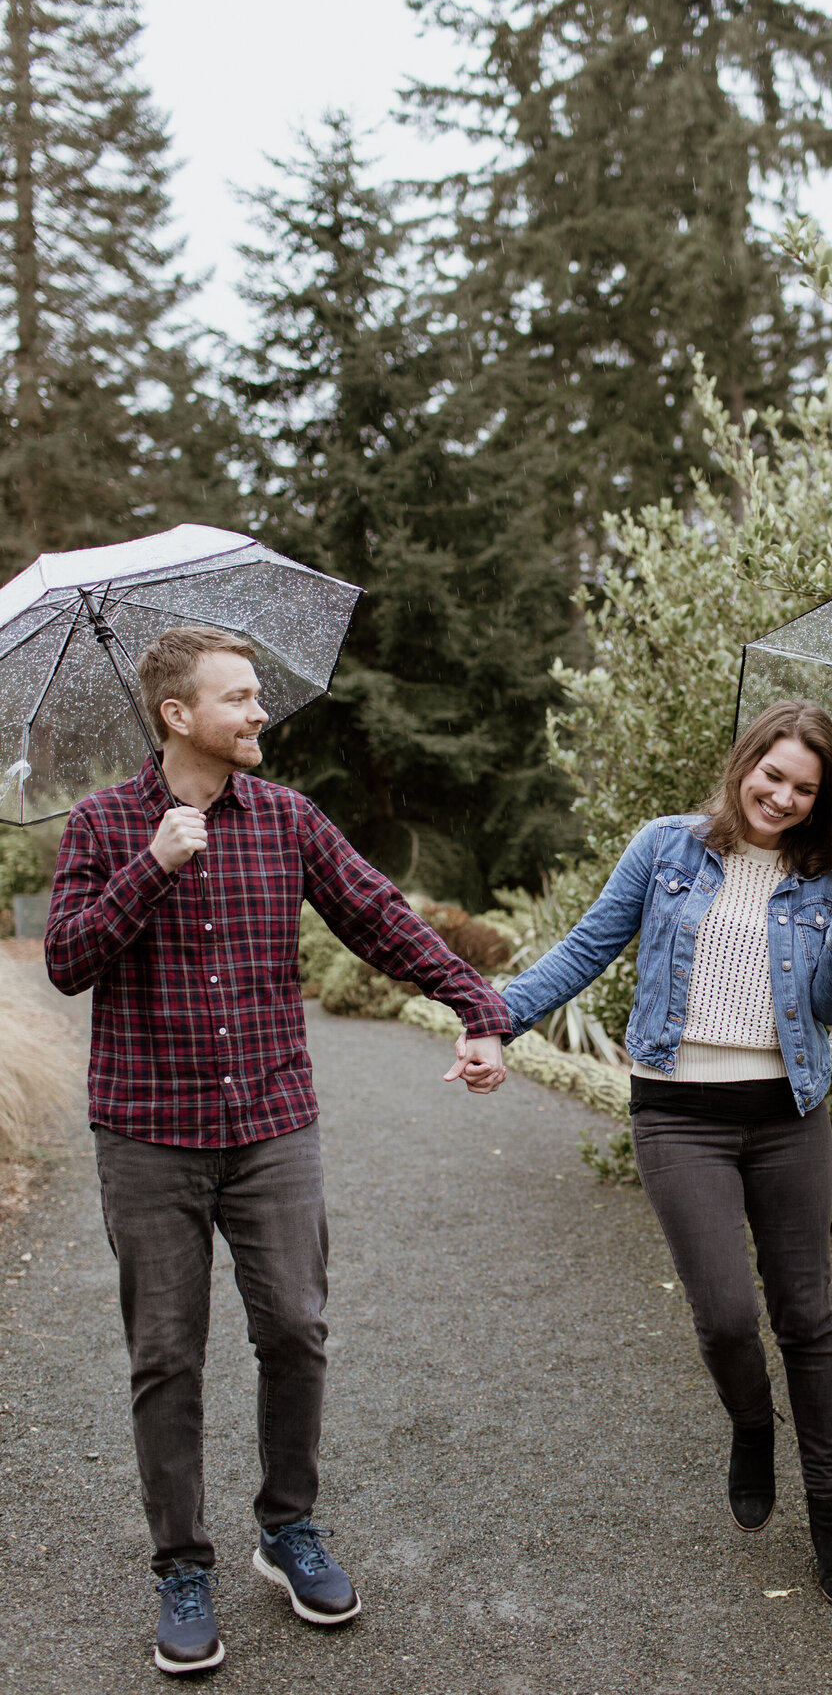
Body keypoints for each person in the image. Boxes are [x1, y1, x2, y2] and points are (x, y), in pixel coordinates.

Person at [45, 625, 509, 1677]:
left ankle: (286, 1528)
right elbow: (68, 961)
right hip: (147, 1132)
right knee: (165, 1356)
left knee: (296, 1329)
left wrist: (476, 1005)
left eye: (257, 697)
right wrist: (153, 868)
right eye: (241, 698)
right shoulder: (103, 823)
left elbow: (380, 916)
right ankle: (180, 1565)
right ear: (178, 715)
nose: (261, 713)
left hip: (271, 1127)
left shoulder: (289, 819)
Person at [490, 699, 832, 1606]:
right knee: (726, 1317)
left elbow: (829, 1008)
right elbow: (588, 946)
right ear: (746, 761)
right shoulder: (666, 847)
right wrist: (495, 1018)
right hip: (678, 1115)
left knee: (808, 1319)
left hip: (789, 1113)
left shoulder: (830, 877)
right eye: (771, 774)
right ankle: (752, 1422)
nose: (779, 797)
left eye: (802, 788)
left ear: (823, 800)